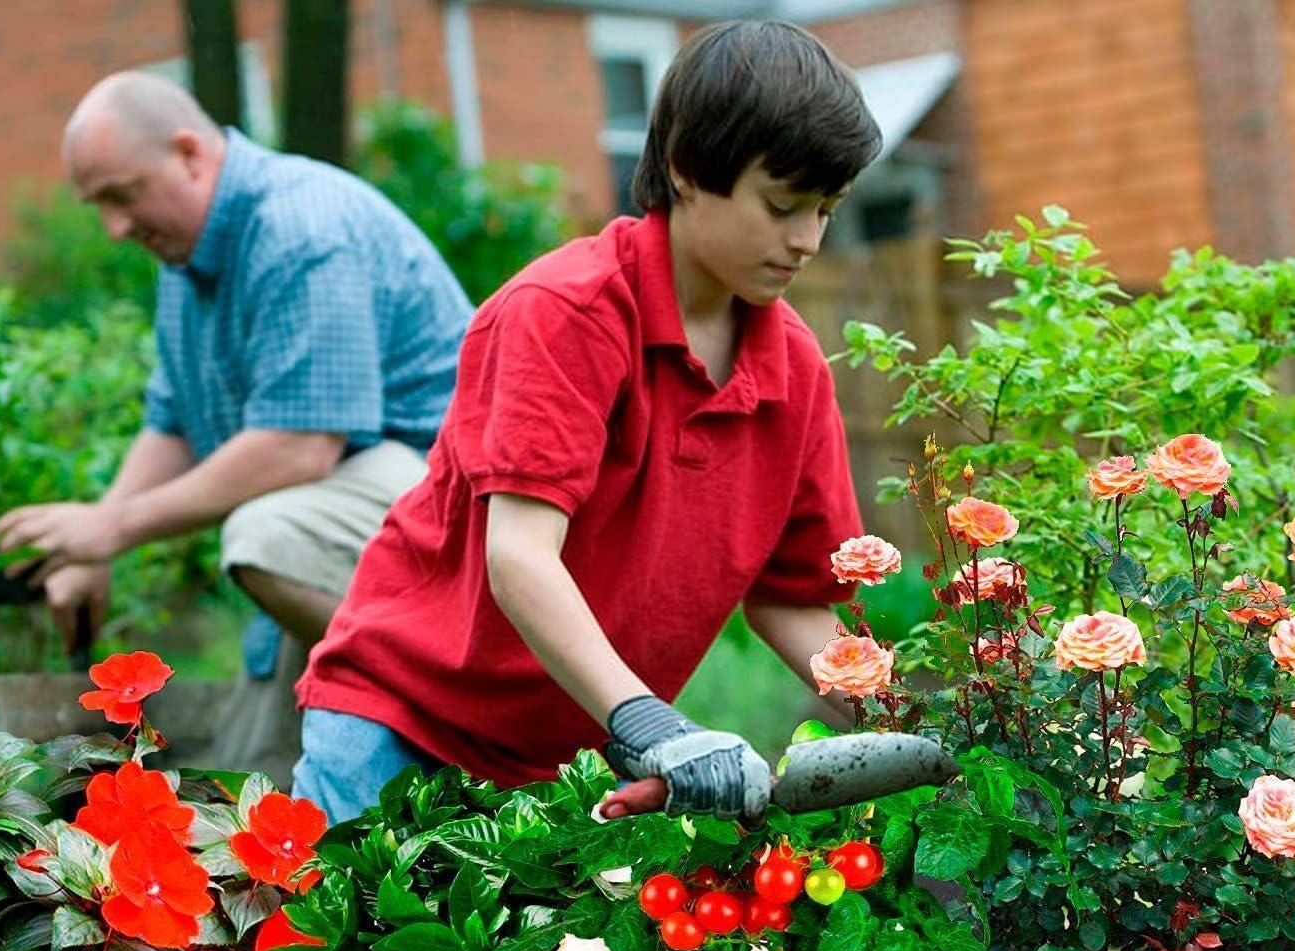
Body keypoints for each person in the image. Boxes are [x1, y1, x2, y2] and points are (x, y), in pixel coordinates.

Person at [294, 20, 882, 823]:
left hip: (561, 766)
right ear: (685, 170)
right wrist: (653, 727)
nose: (807, 240)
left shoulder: (795, 373)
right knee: (324, 942)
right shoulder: (565, 313)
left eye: (826, 209)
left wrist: (930, 732)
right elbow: (520, 557)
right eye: (783, 205)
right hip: (400, 725)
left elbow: (793, 598)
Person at [0, 72, 472, 781]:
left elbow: (301, 445)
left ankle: (469, 722)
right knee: (253, 780)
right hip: (346, 528)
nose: (115, 229)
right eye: (99, 207)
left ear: (189, 153)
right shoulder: (186, 258)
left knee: (265, 534)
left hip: (450, 514)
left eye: (121, 196)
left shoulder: (300, 228)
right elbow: (174, 420)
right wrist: (96, 538)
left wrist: (117, 527)